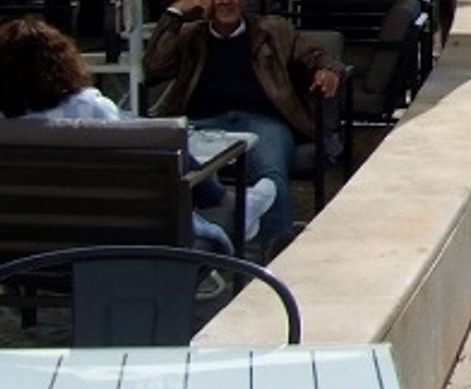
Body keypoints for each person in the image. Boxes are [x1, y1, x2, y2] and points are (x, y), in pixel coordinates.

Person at [0, 16, 275, 252]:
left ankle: (231, 200)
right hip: (120, 246)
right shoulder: (90, 109)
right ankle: (229, 201)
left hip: (23, 254)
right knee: (160, 144)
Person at [146, 0, 343, 249]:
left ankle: (276, 256)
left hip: (262, 121)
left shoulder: (273, 30)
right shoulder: (191, 35)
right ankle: (205, 248)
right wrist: (176, 12)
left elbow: (314, 55)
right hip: (203, 123)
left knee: (271, 175)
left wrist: (327, 69)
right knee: (178, 171)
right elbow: (153, 67)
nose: (225, 0)